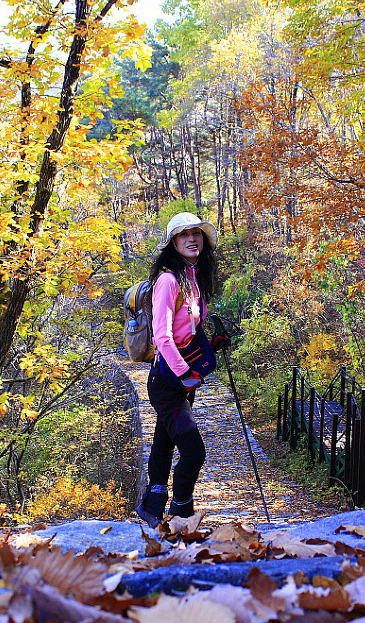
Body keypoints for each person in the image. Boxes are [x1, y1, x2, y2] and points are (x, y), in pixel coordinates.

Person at [136, 212, 229, 528]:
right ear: (173, 243)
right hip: (167, 382)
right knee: (194, 451)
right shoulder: (168, 280)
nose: (192, 239)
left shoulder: (194, 278)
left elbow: (186, 332)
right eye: (184, 234)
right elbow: (162, 337)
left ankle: (152, 506)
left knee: (164, 442)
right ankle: (181, 513)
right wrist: (185, 375)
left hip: (181, 381)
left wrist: (211, 345)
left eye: (196, 233)